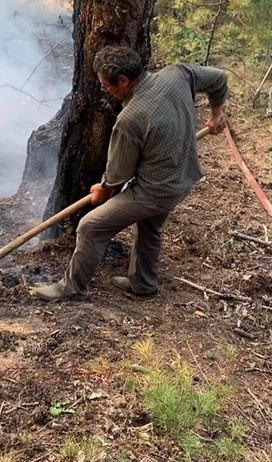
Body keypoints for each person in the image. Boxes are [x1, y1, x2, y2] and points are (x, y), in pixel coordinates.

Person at [32, 47, 228, 301]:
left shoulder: (130, 118)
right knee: (150, 226)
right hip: (183, 178)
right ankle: (143, 284)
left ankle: (72, 289)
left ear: (123, 80)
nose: (104, 90)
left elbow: (118, 175)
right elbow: (218, 78)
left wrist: (103, 190)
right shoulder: (177, 74)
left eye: (105, 85)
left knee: (90, 227)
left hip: (156, 191)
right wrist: (216, 113)